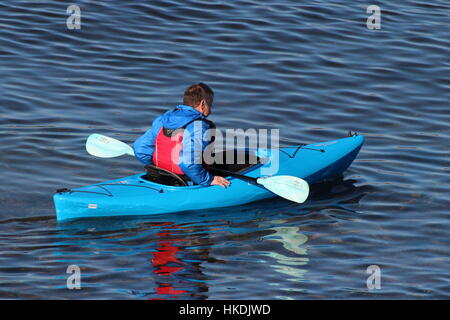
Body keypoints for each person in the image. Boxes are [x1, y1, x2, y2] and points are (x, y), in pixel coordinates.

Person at [133, 83, 231, 188]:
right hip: (184, 182)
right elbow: (188, 163)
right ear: (202, 104)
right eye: (210, 104)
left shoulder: (163, 120)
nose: (210, 110)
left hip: (158, 176)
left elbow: (140, 149)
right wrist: (208, 180)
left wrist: (159, 167)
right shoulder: (198, 126)